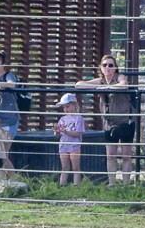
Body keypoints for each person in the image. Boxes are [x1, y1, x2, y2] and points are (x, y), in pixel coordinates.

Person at [76, 53, 138, 184]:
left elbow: (123, 85)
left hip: (126, 122)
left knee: (126, 156)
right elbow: (78, 84)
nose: (108, 68)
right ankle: (112, 184)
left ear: (115, 67)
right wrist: (96, 86)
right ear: (101, 67)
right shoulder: (101, 80)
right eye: (105, 65)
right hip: (109, 123)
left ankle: (125, 185)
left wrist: (106, 88)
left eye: (111, 65)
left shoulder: (119, 77)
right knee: (110, 155)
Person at [54, 92, 86, 186]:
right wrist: (57, 131)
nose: (65, 109)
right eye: (64, 107)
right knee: (64, 167)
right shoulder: (62, 119)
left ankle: (76, 186)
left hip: (74, 145)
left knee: (75, 167)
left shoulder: (79, 118)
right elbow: (57, 135)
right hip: (63, 145)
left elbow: (78, 133)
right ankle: (61, 185)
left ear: (74, 105)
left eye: (67, 106)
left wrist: (66, 132)